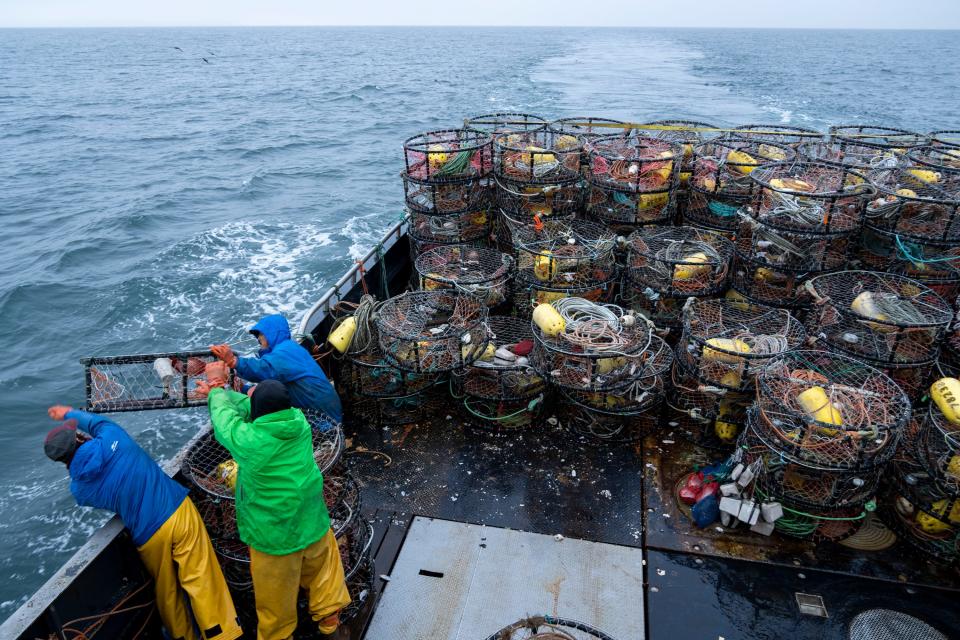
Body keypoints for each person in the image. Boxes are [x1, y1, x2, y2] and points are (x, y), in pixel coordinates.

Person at [44, 405, 242, 640]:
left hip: (148, 536)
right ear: (79, 437)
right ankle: (223, 634)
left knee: (167, 591)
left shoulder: (80, 490)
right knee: (200, 576)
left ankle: (182, 636)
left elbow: (93, 478)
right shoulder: (112, 436)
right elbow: (95, 422)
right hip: (176, 511)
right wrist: (67, 412)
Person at [198, 368, 350, 640]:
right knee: (324, 574)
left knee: (275, 597)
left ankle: (279, 635)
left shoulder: (250, 441)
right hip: (312, 521)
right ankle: (330, 623)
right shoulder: (299, 422)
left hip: (274, 537)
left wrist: (217, 387)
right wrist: (224, 394)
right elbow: (256, 408)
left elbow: (225, 423)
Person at [211, 314, 342, 423]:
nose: (258, 338)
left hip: (324, 420)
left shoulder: (285, 351)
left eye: (260, 334)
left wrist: (233, 361)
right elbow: (271, 384)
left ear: (272, 333)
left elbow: (264, 370)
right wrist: (242, 388)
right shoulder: (289, 348)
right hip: (323, 412)